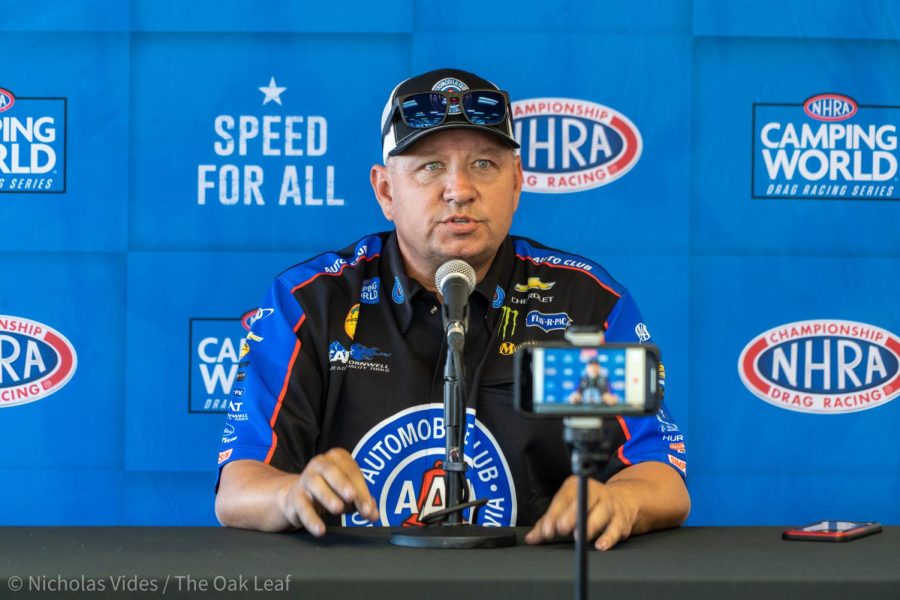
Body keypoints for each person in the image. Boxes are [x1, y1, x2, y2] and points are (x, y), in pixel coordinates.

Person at [215, 68, 690, 551]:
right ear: (385, 192)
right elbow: (239, 487)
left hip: (526, 586)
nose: (460, 189)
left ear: (517, 184)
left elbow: (660, 475)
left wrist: (621, 502)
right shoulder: (311, 303)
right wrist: (291, 493)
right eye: (430, 167)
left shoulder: (584, 306)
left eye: (485, 164)